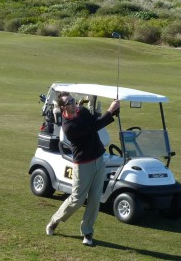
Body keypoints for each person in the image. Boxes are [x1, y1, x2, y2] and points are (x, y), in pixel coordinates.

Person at [46, 92, 120, 246]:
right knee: (77, 199)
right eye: (69, 102)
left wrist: (114, 111)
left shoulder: (83, 111)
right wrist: (109, 111)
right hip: (83, 165)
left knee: (95, 200)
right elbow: (92, 128)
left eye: (73, 100)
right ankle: (54, 221)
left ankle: (87, 232)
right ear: (63, 107)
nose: (73, 104)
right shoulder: (68, 126)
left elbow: (96, 121)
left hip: (99, 159)